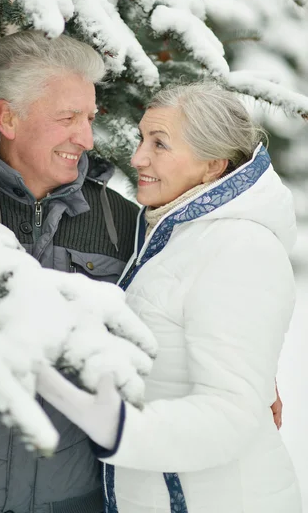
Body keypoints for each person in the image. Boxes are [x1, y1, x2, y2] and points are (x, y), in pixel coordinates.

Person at [35, 82, 302, 513]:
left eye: (159, 144)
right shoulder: (172, 234)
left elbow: (232, 415)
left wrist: (120, 430)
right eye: (142, 138)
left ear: (213, 165)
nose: (138, 157)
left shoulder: (239, 248)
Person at [0, 31, 139, 513]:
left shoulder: (120, 222)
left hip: (74, 500)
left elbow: (172, 324)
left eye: (90, 119)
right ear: (8, 118)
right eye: (68, 118)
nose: (87, 138)